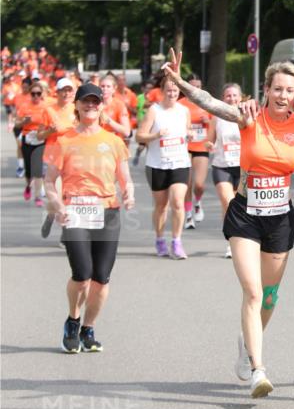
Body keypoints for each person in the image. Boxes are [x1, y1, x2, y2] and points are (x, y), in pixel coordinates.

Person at [162, 52, 294, 399]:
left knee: (270, 297)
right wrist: (181, 83)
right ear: (266, 90)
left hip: (280, 219)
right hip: (245, 215)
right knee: (254, 292)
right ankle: (259, 370)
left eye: (289, 90)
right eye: (277, 89)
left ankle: (247, 344)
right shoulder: (249, 117)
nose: (283, 96)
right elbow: (211, 102)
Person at [44, 82, 134, 353]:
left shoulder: (113, 142)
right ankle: (73, 321)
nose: (90, 105)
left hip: (108, 212)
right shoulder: (64, 140)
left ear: (102, 106)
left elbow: (126, 179)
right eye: (86, 101)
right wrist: (57, 204)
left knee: (101, 278)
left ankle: (88, 328)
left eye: (95, 101)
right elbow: (49, 181)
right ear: (77, 105)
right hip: (75, 211)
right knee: (82, 275)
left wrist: (128, 194)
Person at [135, 71, 192, 259]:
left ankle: (177, 242)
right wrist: (155, 135)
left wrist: (190, 135)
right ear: (162, 91)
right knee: (161, 206)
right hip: (157, 164)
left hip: (180, 162)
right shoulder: (154, 111)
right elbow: (139, 136)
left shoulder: (184, 111)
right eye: (169, 90)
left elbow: (187, 130)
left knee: (177, 201)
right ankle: (160, 239)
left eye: (175, 90)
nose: (172, 93)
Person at [38, 77, 77, 238]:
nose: (66, 94)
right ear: (57, 92)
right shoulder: (49, 110)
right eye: (63, 91)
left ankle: (64, 232)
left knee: (70, 197)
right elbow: (40, 135)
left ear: (73, 92)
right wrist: (50, 131)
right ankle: (51, 215)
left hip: (73, 158)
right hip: (52, 158)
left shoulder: (78, 109)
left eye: (69, 90)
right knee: (57, 196)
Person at [207, 82, 243, 257]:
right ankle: (232, 244)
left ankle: (238, 239)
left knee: (237, 206)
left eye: (235, 95)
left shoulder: (246, 116)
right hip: (222, 165)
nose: (232, 98)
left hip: (242, 167)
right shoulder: (217, 117)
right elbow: (209, 140)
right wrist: (209, 145)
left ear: (240, 98)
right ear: (223, 98)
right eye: (228, 95)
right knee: (229, 204)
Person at [180, 75, 211, 229]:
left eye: (198, 86)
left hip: (201, 147)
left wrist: (208, 122)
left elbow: (216, 125)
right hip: (184, 148)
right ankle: (188, 215)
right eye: (192, 86)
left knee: (199, 185)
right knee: (187, 183)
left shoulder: (207, 103)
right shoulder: (180, 104)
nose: (195, 89)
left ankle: (197, 202)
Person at [15, 78, 51, 205]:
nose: (36, 96)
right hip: (27, 139)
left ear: (42, 94)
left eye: (38, 93)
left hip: (40, 140)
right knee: (29, 170)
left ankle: (37, 197)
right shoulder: (25, 106)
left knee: (38, 169)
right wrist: (23, 122)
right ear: (30, 94)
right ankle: (28, 186)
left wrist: (47, 130)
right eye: (33, 94)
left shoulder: (46, 107)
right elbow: (16, 124)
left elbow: (50, 121)